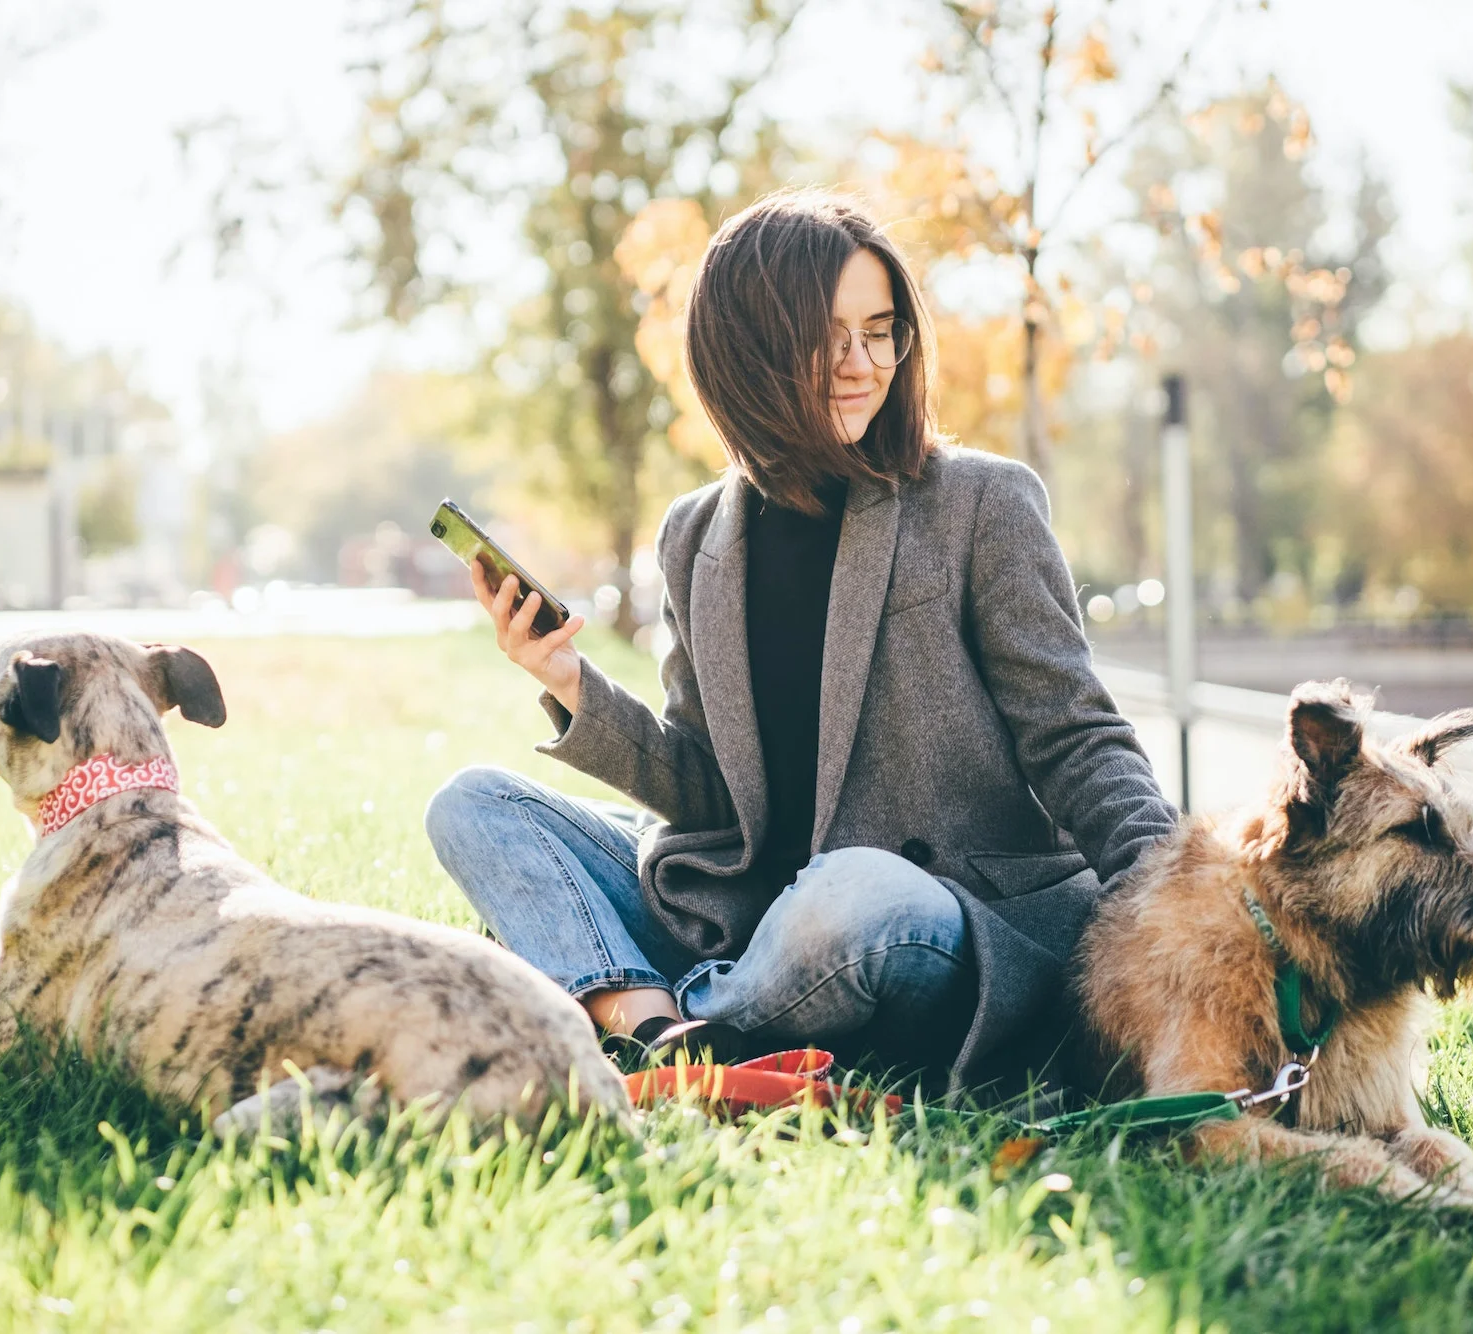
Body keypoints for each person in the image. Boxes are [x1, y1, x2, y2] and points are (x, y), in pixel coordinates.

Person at [423, 189, 1177, 1093]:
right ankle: (669, 1031)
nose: (862, 364)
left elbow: (1077, 737)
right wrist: (572, 684)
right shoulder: (695, 536)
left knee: (848, 893)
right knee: (474, 804)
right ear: (748, 348)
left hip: (915, 915)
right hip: (742, 908)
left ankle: (656, 1018)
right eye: (829, 337)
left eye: (881, 330)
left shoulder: (983, 503)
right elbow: (707, 790)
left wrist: (1176, 900)